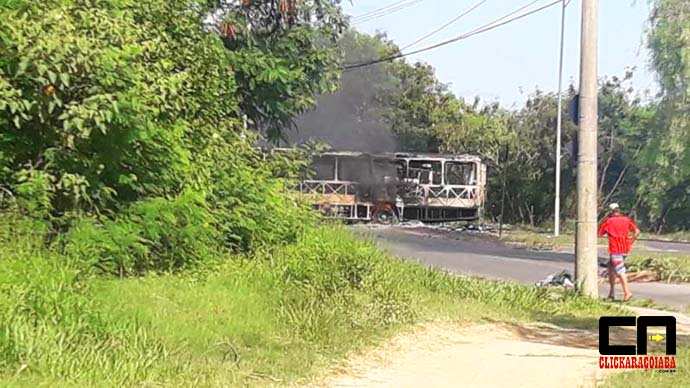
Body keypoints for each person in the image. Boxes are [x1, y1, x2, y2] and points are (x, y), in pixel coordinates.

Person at [598, 203, 641, 302]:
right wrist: (631, 241)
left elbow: (599, 234)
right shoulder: (626, 220)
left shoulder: (608, 222)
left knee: (620, 270)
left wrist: (604, 221)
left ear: (610, 211)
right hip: (625, 248)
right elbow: (637, 231)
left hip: (615, 249)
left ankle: (627, 292)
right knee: (610, 267)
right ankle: (611, 293)